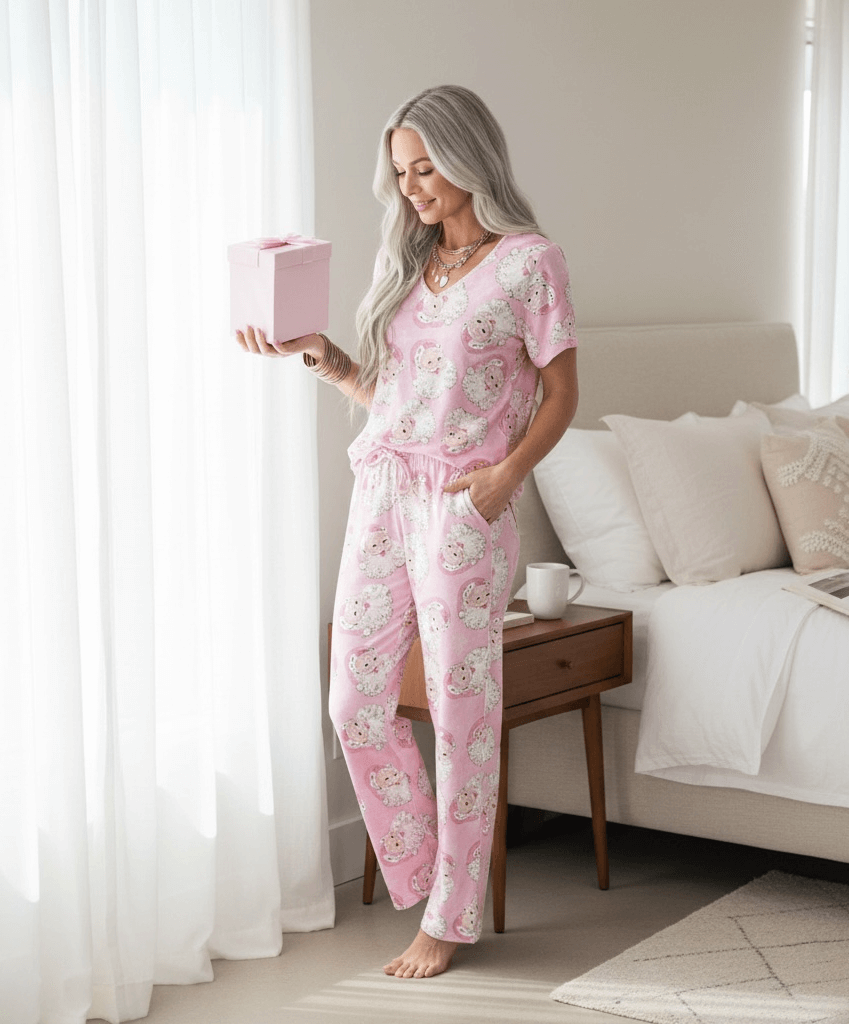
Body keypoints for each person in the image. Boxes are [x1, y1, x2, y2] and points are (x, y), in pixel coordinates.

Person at [236, 84, 578, 979]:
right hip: (382, 496)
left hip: (464, 510)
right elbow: (390, 402)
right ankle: (432, 881)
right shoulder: (412, 266)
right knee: (354, 703)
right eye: (401, 172)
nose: (413, 188)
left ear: (471, 159)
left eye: (427, 168)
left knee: (465, 717)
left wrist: (502, 482)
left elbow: (562, 395)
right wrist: (321, 357)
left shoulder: (530, 262)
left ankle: (450, 919)